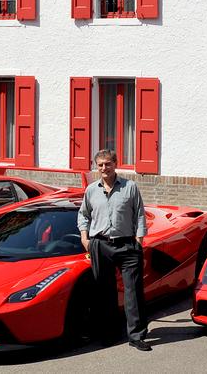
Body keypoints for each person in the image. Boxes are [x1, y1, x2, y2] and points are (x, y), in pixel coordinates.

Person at [77, 149, 151, 351]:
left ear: (115, 164)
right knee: (105, 292)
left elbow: (140, 215)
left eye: (108, 164)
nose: (104, 168)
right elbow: (83, 215)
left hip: (127, 245)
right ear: (96, 166)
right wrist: (85, 239)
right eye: (100, 165)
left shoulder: (130, 187)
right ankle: (110, 333)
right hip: (100, 245)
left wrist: (139, 240)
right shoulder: (91, 190)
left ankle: (136, 336)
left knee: (133, 292)